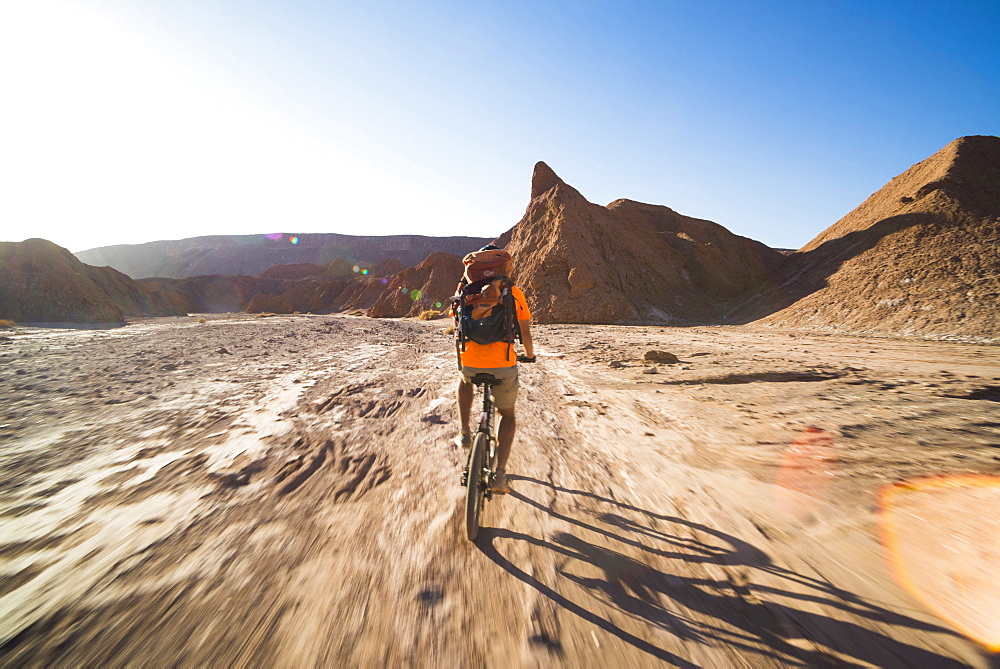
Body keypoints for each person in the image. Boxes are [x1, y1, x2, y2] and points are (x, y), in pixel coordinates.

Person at [456, 246, 534, 494]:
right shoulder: (513, 292)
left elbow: (457, 325)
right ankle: (500, 475)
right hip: (503, 363)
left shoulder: (463, 290)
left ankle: (465, 431)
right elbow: (525, 330)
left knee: (465, 380)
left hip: (470, 360)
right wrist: (529, 356)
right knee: (508, 415)